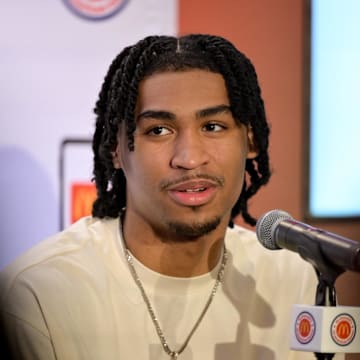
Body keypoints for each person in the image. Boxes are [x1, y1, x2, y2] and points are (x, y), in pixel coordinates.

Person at [0, 34, 330, 360]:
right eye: (159, 130)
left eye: (213, 126)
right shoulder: (40, 293)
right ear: (116, 149)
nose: (189, 158)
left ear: (251, 141)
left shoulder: (293, 277)